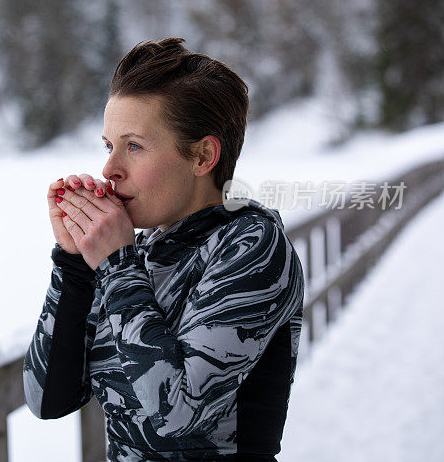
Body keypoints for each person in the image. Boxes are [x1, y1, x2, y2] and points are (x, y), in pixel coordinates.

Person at [22, 38, 305, 461]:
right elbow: (47, 400)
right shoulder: (143, 251)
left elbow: (177, 412)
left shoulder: (253, 247)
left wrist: (116, 265)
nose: (109, 168)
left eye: (133, 145)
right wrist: (76, 264)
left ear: (203, 156)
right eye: (108, 145)